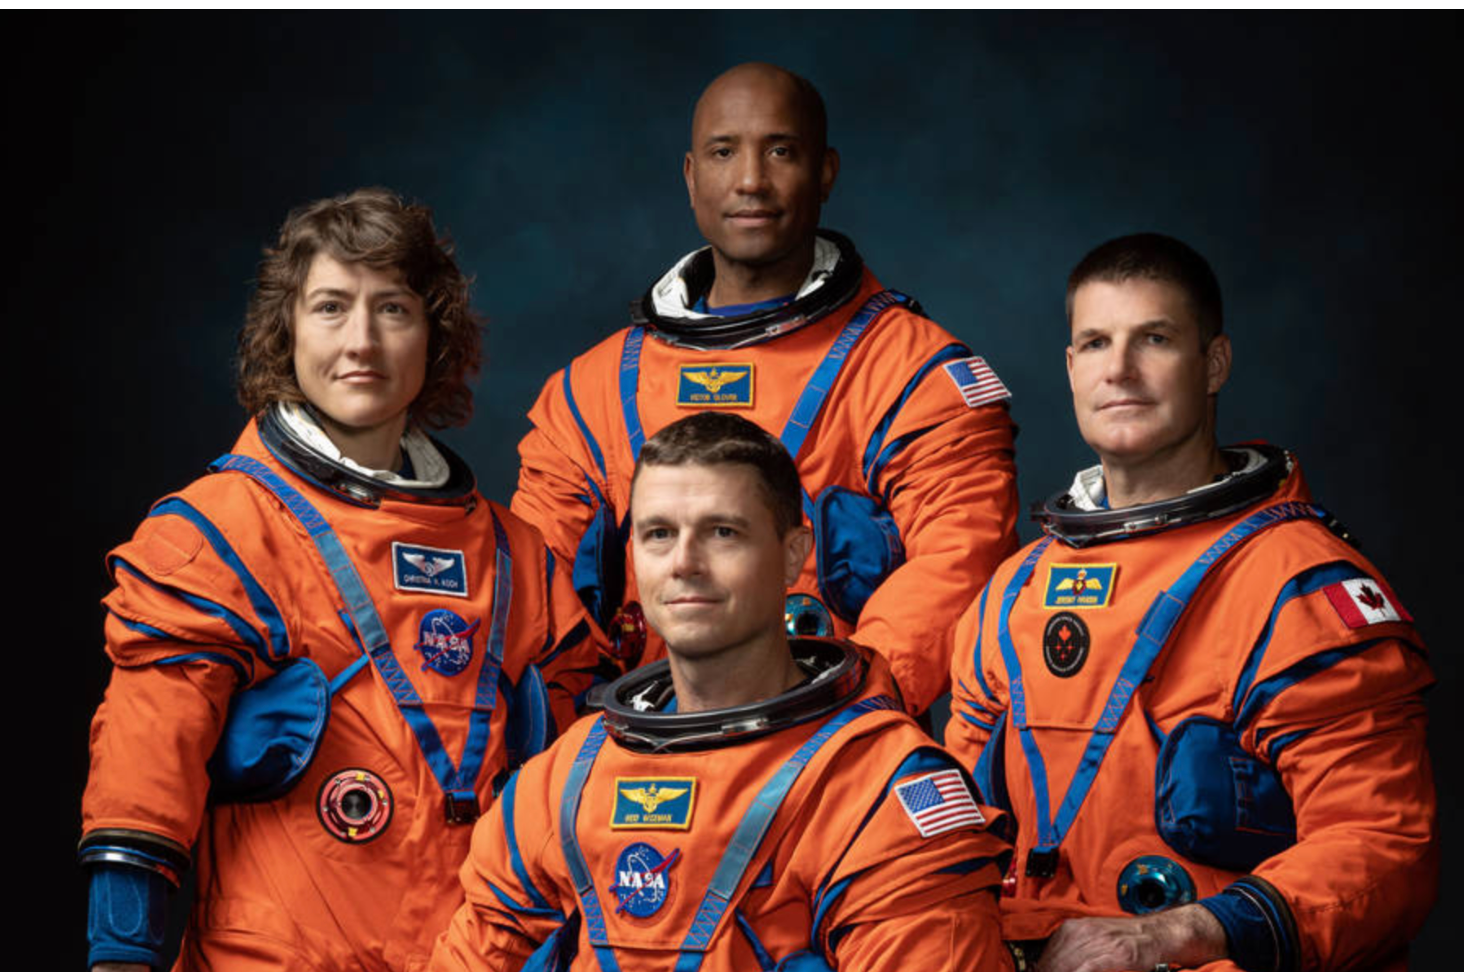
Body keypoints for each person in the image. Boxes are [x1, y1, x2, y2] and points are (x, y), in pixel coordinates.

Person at [79, 188, 605, 971]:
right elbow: (143, 764)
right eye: (330, 307)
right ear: (284, 331)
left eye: (392, 309)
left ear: (435, 335)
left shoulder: (515, 559)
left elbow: (575, 795)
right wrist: (122, 955)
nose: (361, 341)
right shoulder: (220, 534)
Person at [946, 233, 1437, 972]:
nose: (1120, 370)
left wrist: (1176, 934)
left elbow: (1382, 846)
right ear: (1071, 368)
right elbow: (952, 831)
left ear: (1213, 364)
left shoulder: (1297, 586)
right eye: (1096, 342)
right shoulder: (1011, 595)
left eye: (1155, 339)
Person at [511, 62, 1018, 714]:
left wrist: (841, 716)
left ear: (826, 172)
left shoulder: (912, 373)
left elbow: (959, 562)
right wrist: (582, 745)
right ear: (692, 177)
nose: (751, 180)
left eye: (780, 151)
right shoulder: (591, 392)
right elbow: (534, 589)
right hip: (632, 756)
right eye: (725, 153)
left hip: (828, 753)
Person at [434, 412, 1013, 971]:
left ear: (794, 555)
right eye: (659, 534)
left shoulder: (879, 788)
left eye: (722, 532)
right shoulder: (561, 782)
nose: (685, 563)